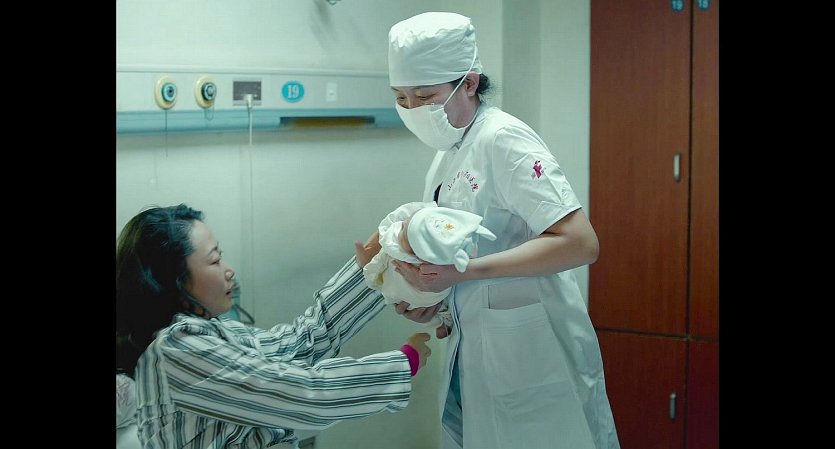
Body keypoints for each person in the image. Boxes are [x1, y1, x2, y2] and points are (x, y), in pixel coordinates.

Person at [385, 12, 620, 449]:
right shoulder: (449, 152)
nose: (413, 109)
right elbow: (463, 252)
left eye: (425, 95)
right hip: (478, 352)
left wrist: (462, 274)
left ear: (469, 84)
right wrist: (434, 302)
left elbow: (580, 243)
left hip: (534, 352)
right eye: (401, 97)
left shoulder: (504, 139)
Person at [115, 204, 432, 449]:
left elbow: (299, 343)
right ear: (174, 280)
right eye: (214, 260)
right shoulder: (175, 351)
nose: (228, 270)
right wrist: (404, 362)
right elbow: (303, 395)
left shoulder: (210, 333)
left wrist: (368, 271)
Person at [362, 200, 496, 329]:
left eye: (402, 230)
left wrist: (369, 273)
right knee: (432, 308)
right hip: (426, 301)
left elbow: (378, 264)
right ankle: (441, 323)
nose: (401, 227)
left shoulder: (399, 250)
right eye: (404, 226)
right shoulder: (424, 242)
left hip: (475, 302)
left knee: (431, 307)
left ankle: (441, 323)